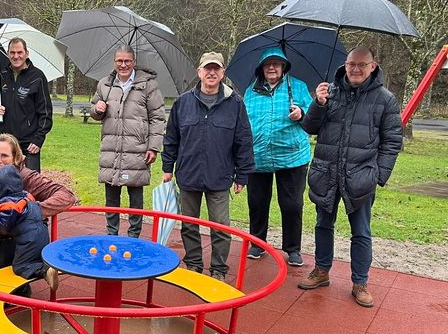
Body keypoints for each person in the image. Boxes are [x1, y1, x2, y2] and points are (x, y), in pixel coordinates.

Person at [298, 47, 402, 307]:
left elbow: (392, 141)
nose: (356, 69)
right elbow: (309, 127)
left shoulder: (385, 99)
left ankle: (360, 281)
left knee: (361, 232)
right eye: (351, 64)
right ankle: (321, 271)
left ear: (373, 66)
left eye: (362, 65)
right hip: (326, 172)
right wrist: (317, 104)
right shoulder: (329, 92)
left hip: (361, 176)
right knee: (323, 225)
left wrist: (378, 175)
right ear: (345, 65)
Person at [161, 52, 255, 280]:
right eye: (207, 68)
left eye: (216, 69)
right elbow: (171, 137)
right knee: (189, 225)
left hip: (220, 176)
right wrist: (167, 167)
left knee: (220, 227)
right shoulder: (183, 103)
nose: (211, 73)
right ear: (199, 72)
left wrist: (242, 176)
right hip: (188, 174)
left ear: (222, 73)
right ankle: (193, 264)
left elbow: (244, 140)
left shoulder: (235, 104)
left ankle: (218, 269)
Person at [242, 47, 313, 267]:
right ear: (261, 68)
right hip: (258, 157)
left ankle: (293, 248)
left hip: (292, 157)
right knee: (257, 203)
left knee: (292, 205)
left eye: (276, 64)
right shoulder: (250, 91)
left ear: (284, 67)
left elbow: (314, 119)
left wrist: (301, 113)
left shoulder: (298, 87)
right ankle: (257, 242)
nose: (272, 68)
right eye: (267, 64)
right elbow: (243, 122)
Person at [90, 45, 165, 238]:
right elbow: (95, 111)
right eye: (119, 61)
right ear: (114, 62)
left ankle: (134, 235)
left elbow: (157, 117)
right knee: (111, 195)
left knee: (136, 197)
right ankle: (111, 232)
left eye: (127, 61)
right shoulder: (104, 84)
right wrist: (97, 109)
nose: (123, 65)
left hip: (137, 148)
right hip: (111, 148)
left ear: (134, 62)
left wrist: (153, 147)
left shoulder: (148, 85)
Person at [0, 133, 77, 274]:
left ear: (16, 158)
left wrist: (34, 211)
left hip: (14, 238)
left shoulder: (25, 176)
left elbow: (66, 196)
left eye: (4, 156)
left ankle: (20, 292)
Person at [0, 165, 59, 290]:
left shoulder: (9, 205)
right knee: (33, 258)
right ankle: (45, 267)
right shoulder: (25, 196)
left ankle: (45, 271)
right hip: (42, 232)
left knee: (21, 267)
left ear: (1, 190)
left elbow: (2, 225)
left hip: (29, 239)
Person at [0, 38, 53, 171]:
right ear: (8, 54)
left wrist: (38, 139)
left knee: (30, 186)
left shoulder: (37, 76)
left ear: (27, 53)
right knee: (4, 183)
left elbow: (46, 112)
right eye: (12, 52)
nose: (16, 56)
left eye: (19, 52)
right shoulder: (2, 75)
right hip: (6, 141)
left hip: (29, 143)